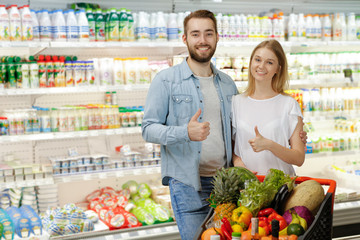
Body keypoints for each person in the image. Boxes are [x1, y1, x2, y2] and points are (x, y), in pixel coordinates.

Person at [142, 10, 306, 240]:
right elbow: (148, 128)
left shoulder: (227, 85)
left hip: (227, 184)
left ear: (217, 37)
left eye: (208, 34)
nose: (202, 40)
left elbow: (238, 133)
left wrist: (290, 136)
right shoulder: (166, 80)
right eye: (195, 34)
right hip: (188, 184)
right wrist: (184, 132)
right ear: (185, 39)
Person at [231, 39, 305, 176]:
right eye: (257, 60)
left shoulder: (289, 105)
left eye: (269, 62)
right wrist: (239, 164)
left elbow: (299, 158)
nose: (261, 66)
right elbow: (233, 148)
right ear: (251, 62)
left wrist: (269, 145)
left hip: (281, 189)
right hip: (247, 189)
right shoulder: (236, 102)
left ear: (278, 69)